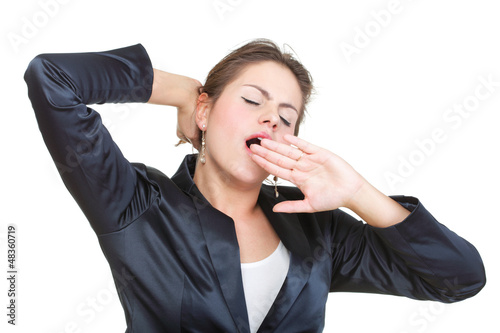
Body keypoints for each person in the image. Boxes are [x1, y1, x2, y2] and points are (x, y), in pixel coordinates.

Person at [24, 40, 486, 333]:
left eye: (286, 118)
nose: (271, 118)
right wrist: (184, 90)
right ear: (204, 114)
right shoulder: (137, 203)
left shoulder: (317, 229)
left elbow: (459, 280)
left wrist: (359, 194)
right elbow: (52, 79)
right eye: (251, 100)